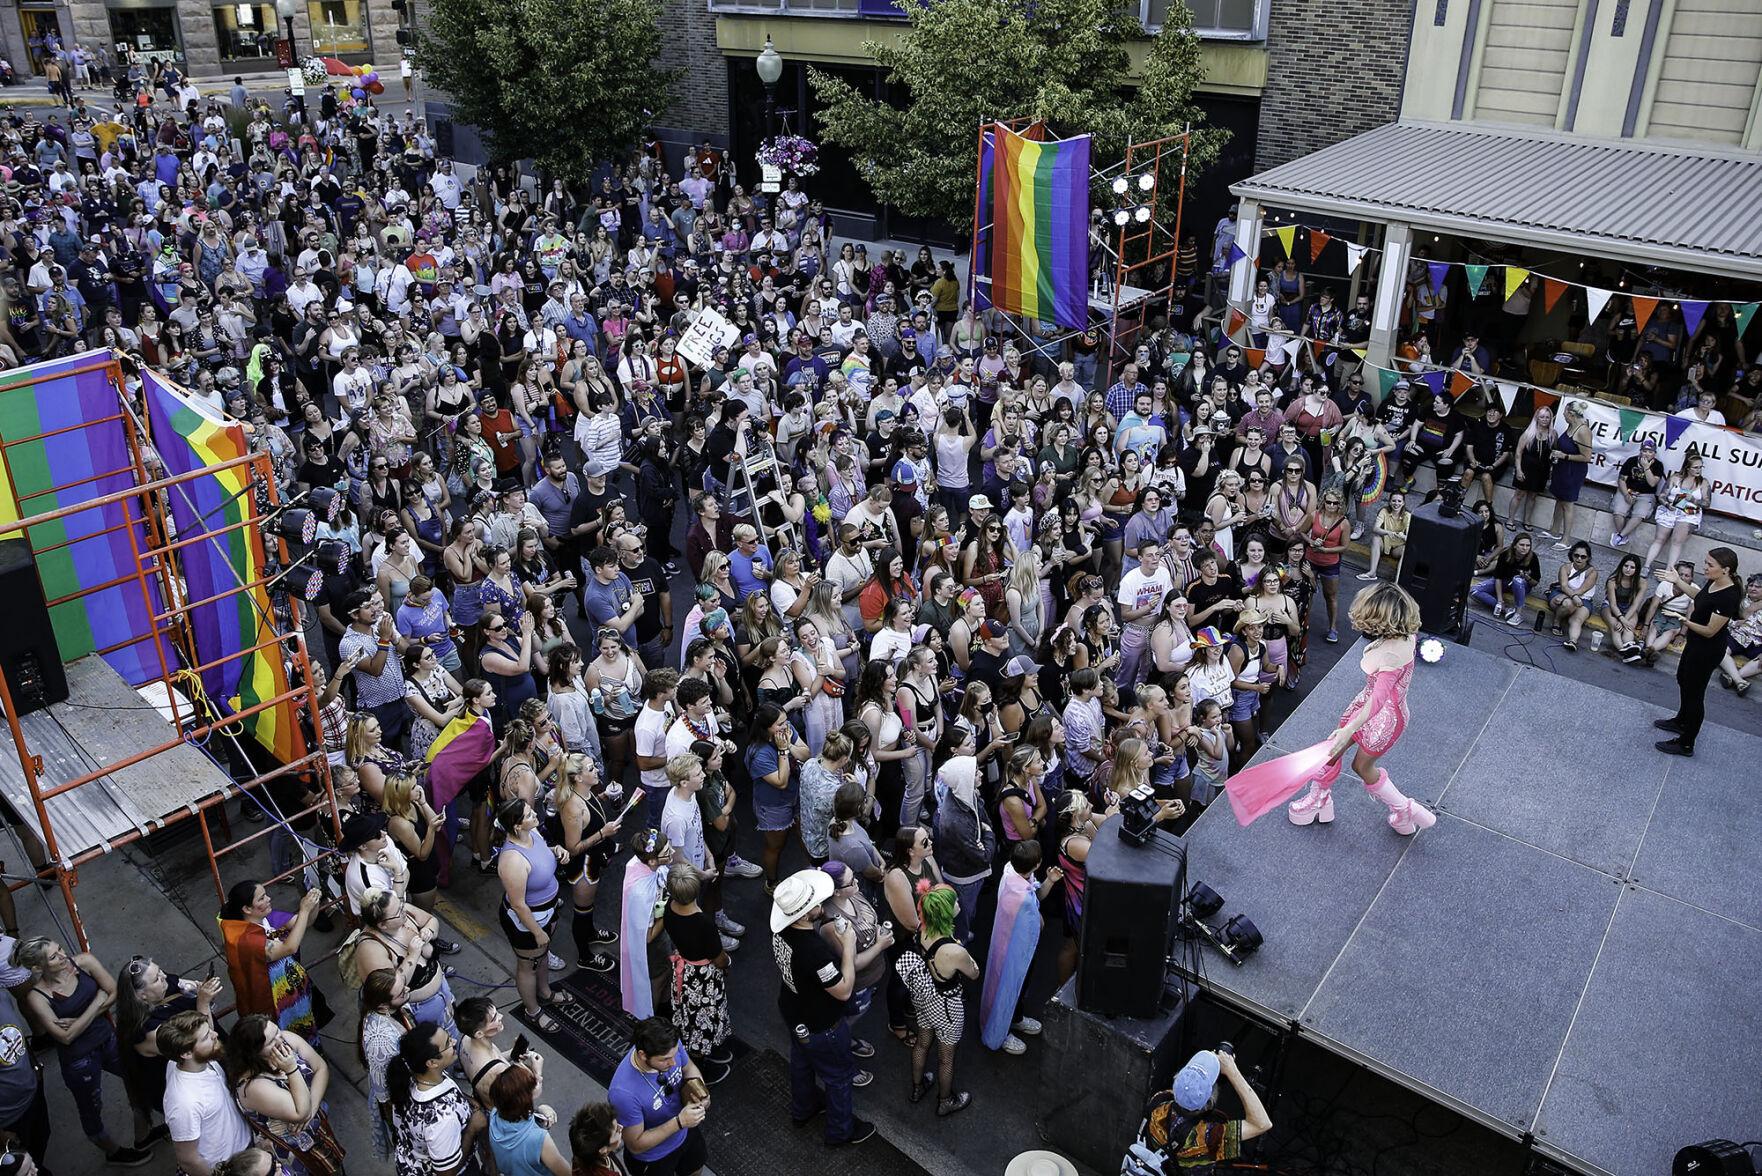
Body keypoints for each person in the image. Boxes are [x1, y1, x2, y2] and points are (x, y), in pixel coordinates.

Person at [1280, 583, 1436, 834]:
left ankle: (1404, 809)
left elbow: (1378, 700)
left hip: (1384, 719)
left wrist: (1349, 728)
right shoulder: (1404, 636)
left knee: (1361, 767)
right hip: (1366, 705)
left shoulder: (1391, 654)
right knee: (1331, 751)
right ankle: (1319, 801)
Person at [11, 936, 151, 1166]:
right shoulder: (37, 997)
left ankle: (143, 1135)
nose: (63, 956)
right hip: (79, 1061)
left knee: (139, 1078)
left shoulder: (84, 962)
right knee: (91, 1110)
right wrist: (97, 1002)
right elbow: (65, 1037)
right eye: (54, 957)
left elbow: (114, 991)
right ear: (38, 968)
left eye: (60, 949)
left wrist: (76, 1022)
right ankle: (113, 1152)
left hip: (108, 1040)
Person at [770, 869, 877, 1146]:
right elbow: (842, 990)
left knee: (802, 1064)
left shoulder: (781, 931)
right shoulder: (813, 951)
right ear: (805, 914)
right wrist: (849, 947)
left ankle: (803, 1109)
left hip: (794, 1012)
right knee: (839, 1077)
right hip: (822, 1024)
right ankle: (840, 1132)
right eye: (815, 903)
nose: (821, 905)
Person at [224, 1014, 344, 1176]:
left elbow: (321, 1068)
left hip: (316, 1130)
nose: (280, 1040)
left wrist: (312, 1109)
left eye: (277, 1032)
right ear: (255, 1051)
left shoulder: (287, 1038)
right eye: (271, 1041)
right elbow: (300, 1112)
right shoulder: (253, 1086)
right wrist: (291, 1069)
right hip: (296, 1151)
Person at [894, 883, 978, 1116]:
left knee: (922, 1042)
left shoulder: (921, 928)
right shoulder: (953, 951)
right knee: (946, 1057)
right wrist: (965, 955)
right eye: (954, 903)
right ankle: (945, 1101)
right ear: (945, 912)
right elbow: (974, 973)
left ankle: (917, 1088)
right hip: (947, 1006)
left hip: (924, 999)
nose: (958, 904)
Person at [1654, 548, 1743, 758]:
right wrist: (1678, 581)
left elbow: (1711, 631)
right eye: (1706, 562)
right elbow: (1700, 597)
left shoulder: (1729, 596)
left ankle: (1686, 743)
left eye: (1710, 565)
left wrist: (1685, 621)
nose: (1705, 568)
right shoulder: (1714, 582)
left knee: (1695, 695)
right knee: (1682, 679)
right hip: (1695, 644)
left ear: (1726, 570)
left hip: (1707, 650)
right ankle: (1681, 720)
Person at [979, 840, 1061, 1057]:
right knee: (1008, 989)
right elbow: (1037, 922)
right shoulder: (1022, 898)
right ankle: (1000, 1032)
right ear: (1037, 864)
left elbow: (1036, 898)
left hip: (1008, 946)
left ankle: (1014, 1019)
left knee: (1015, 989)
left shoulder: (1010, 871)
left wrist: (1050, 882)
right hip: (1014, 954)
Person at [606, 1017, 711, 1176]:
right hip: (653, 1158)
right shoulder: (623, 1093)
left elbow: (688, 1068)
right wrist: (680, 1122)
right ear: (642, 1055)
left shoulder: (670, 1047)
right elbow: (635, 1144)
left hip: (686, 1133)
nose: (673, 1063)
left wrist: (701, 1092)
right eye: (665, 1060)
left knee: (695, 1169)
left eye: (674, 1055)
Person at [1138, 1047, 1273, 1169]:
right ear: (1210, 1100)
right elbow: (1262, 1124)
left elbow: (1186, 1091)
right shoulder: (1208, 1137)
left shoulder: (1159, 1101)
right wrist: (1233, 1072)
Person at [159, 1009, 256, 1176]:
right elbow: (188, 1159)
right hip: (229, 1166)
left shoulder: (195, 1060)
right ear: (186, 1053)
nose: (215, 1034)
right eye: (206, 1037)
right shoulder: (184, 1103)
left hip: (245, 1146)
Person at [662, 865, 733, 1080]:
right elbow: (718, 957)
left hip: (683, 970)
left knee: (687, 1014)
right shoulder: (704, 923)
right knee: (704, 1018)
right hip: (703, 977)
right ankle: (699, 1068)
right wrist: (727, 962)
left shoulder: (668, 908)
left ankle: (696, 1052)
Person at [387, 1022, 483, 1175]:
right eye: (447, 1043)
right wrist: (471, 1129)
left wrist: (465, 1099)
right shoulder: (442, 1120)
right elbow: (447, 1172)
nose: (454, 1041)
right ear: (431, 1063)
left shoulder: (415, 1076)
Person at [487, 1061, 572, 1176]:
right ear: (525, 1099)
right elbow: (565, 1172)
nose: (538, 1081)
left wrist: (538, 1111)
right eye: (533, 1083)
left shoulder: (495, 1114)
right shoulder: (539, 1139)